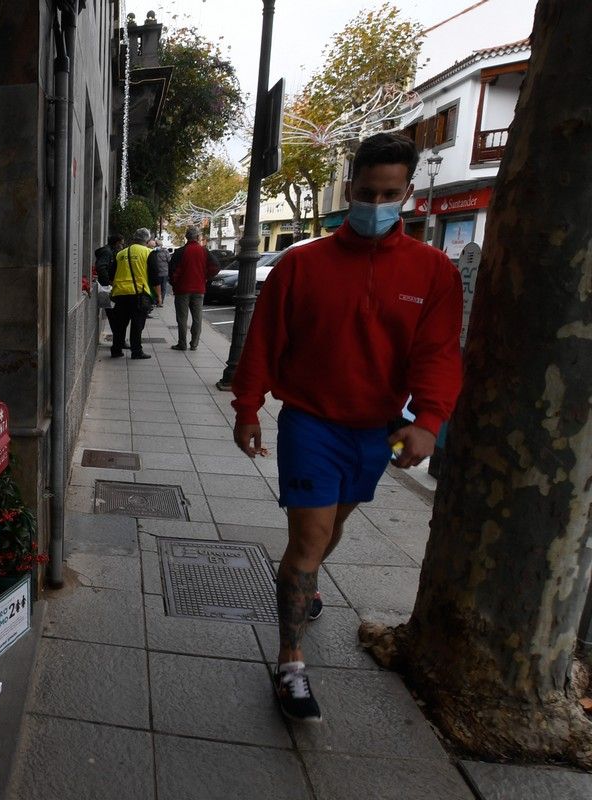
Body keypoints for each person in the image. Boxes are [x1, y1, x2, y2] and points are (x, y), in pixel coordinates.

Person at [230, 132, 462, 723]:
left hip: (377, 431)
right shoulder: (301, 265)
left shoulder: (434, 273)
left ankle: (303, 587)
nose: (377, 203)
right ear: (350, 185)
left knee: (331, 529)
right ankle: (290, 662)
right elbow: (264, 341)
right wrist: (249, 408)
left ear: (407, 193)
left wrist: (428, 421)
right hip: (310, 423)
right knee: (308, 540)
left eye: (390, 193)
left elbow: (437, 354)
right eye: (366, 191)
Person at [168, 228, 220, 351]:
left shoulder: (180, 252)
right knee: (197, 317)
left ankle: (182, 343)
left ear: (186, 237)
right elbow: (216, 266)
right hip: (199, 289)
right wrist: (205, 276)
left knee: (182, 318)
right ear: (197, 237)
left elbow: (172, 271)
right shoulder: (204, 251)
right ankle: (194, 343)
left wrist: (175, 284)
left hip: (182, 289)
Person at [107, 227, 154, 359]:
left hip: (120, 293)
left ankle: (116, 350)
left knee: (120, 324)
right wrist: (157, 296)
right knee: (137, 324)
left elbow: (111, 274)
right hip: (139, 293)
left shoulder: (121, 253)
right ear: (146, 240)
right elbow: (154, 275)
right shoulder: (148, 253)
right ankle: (136, 351)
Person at [146, 237, 170, 307]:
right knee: (163, 288)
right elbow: (169, 260)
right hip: (164, 272)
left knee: (156, 286)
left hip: (157, 272)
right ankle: (160, 301)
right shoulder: (165, 252)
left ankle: (157, 300)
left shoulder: (153, 253)